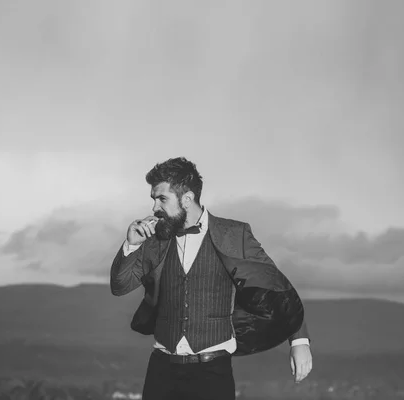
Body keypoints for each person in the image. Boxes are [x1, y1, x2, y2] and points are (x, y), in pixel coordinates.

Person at [110, 157, 312, 400]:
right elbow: (120, 286)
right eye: (153, 199)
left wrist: (299, 342)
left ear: (187, 198)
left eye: (162, 198)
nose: (154, 207)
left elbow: (274, 284)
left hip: (212, 371)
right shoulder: (154, 240)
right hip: (161, 369)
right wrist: (131, 245)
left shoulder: (234, 234)